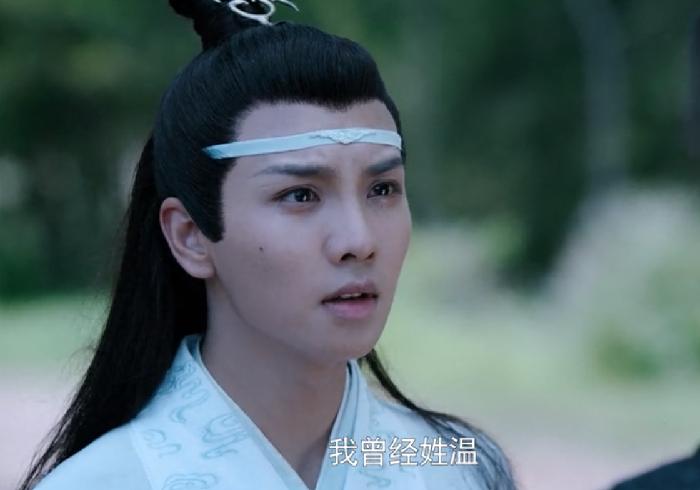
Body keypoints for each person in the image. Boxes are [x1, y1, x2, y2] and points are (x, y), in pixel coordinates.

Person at [19, 0, 516, 488]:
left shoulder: (462, 468)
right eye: (300, 195)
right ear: (190, 236)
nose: (359, 240)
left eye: (382, 189)